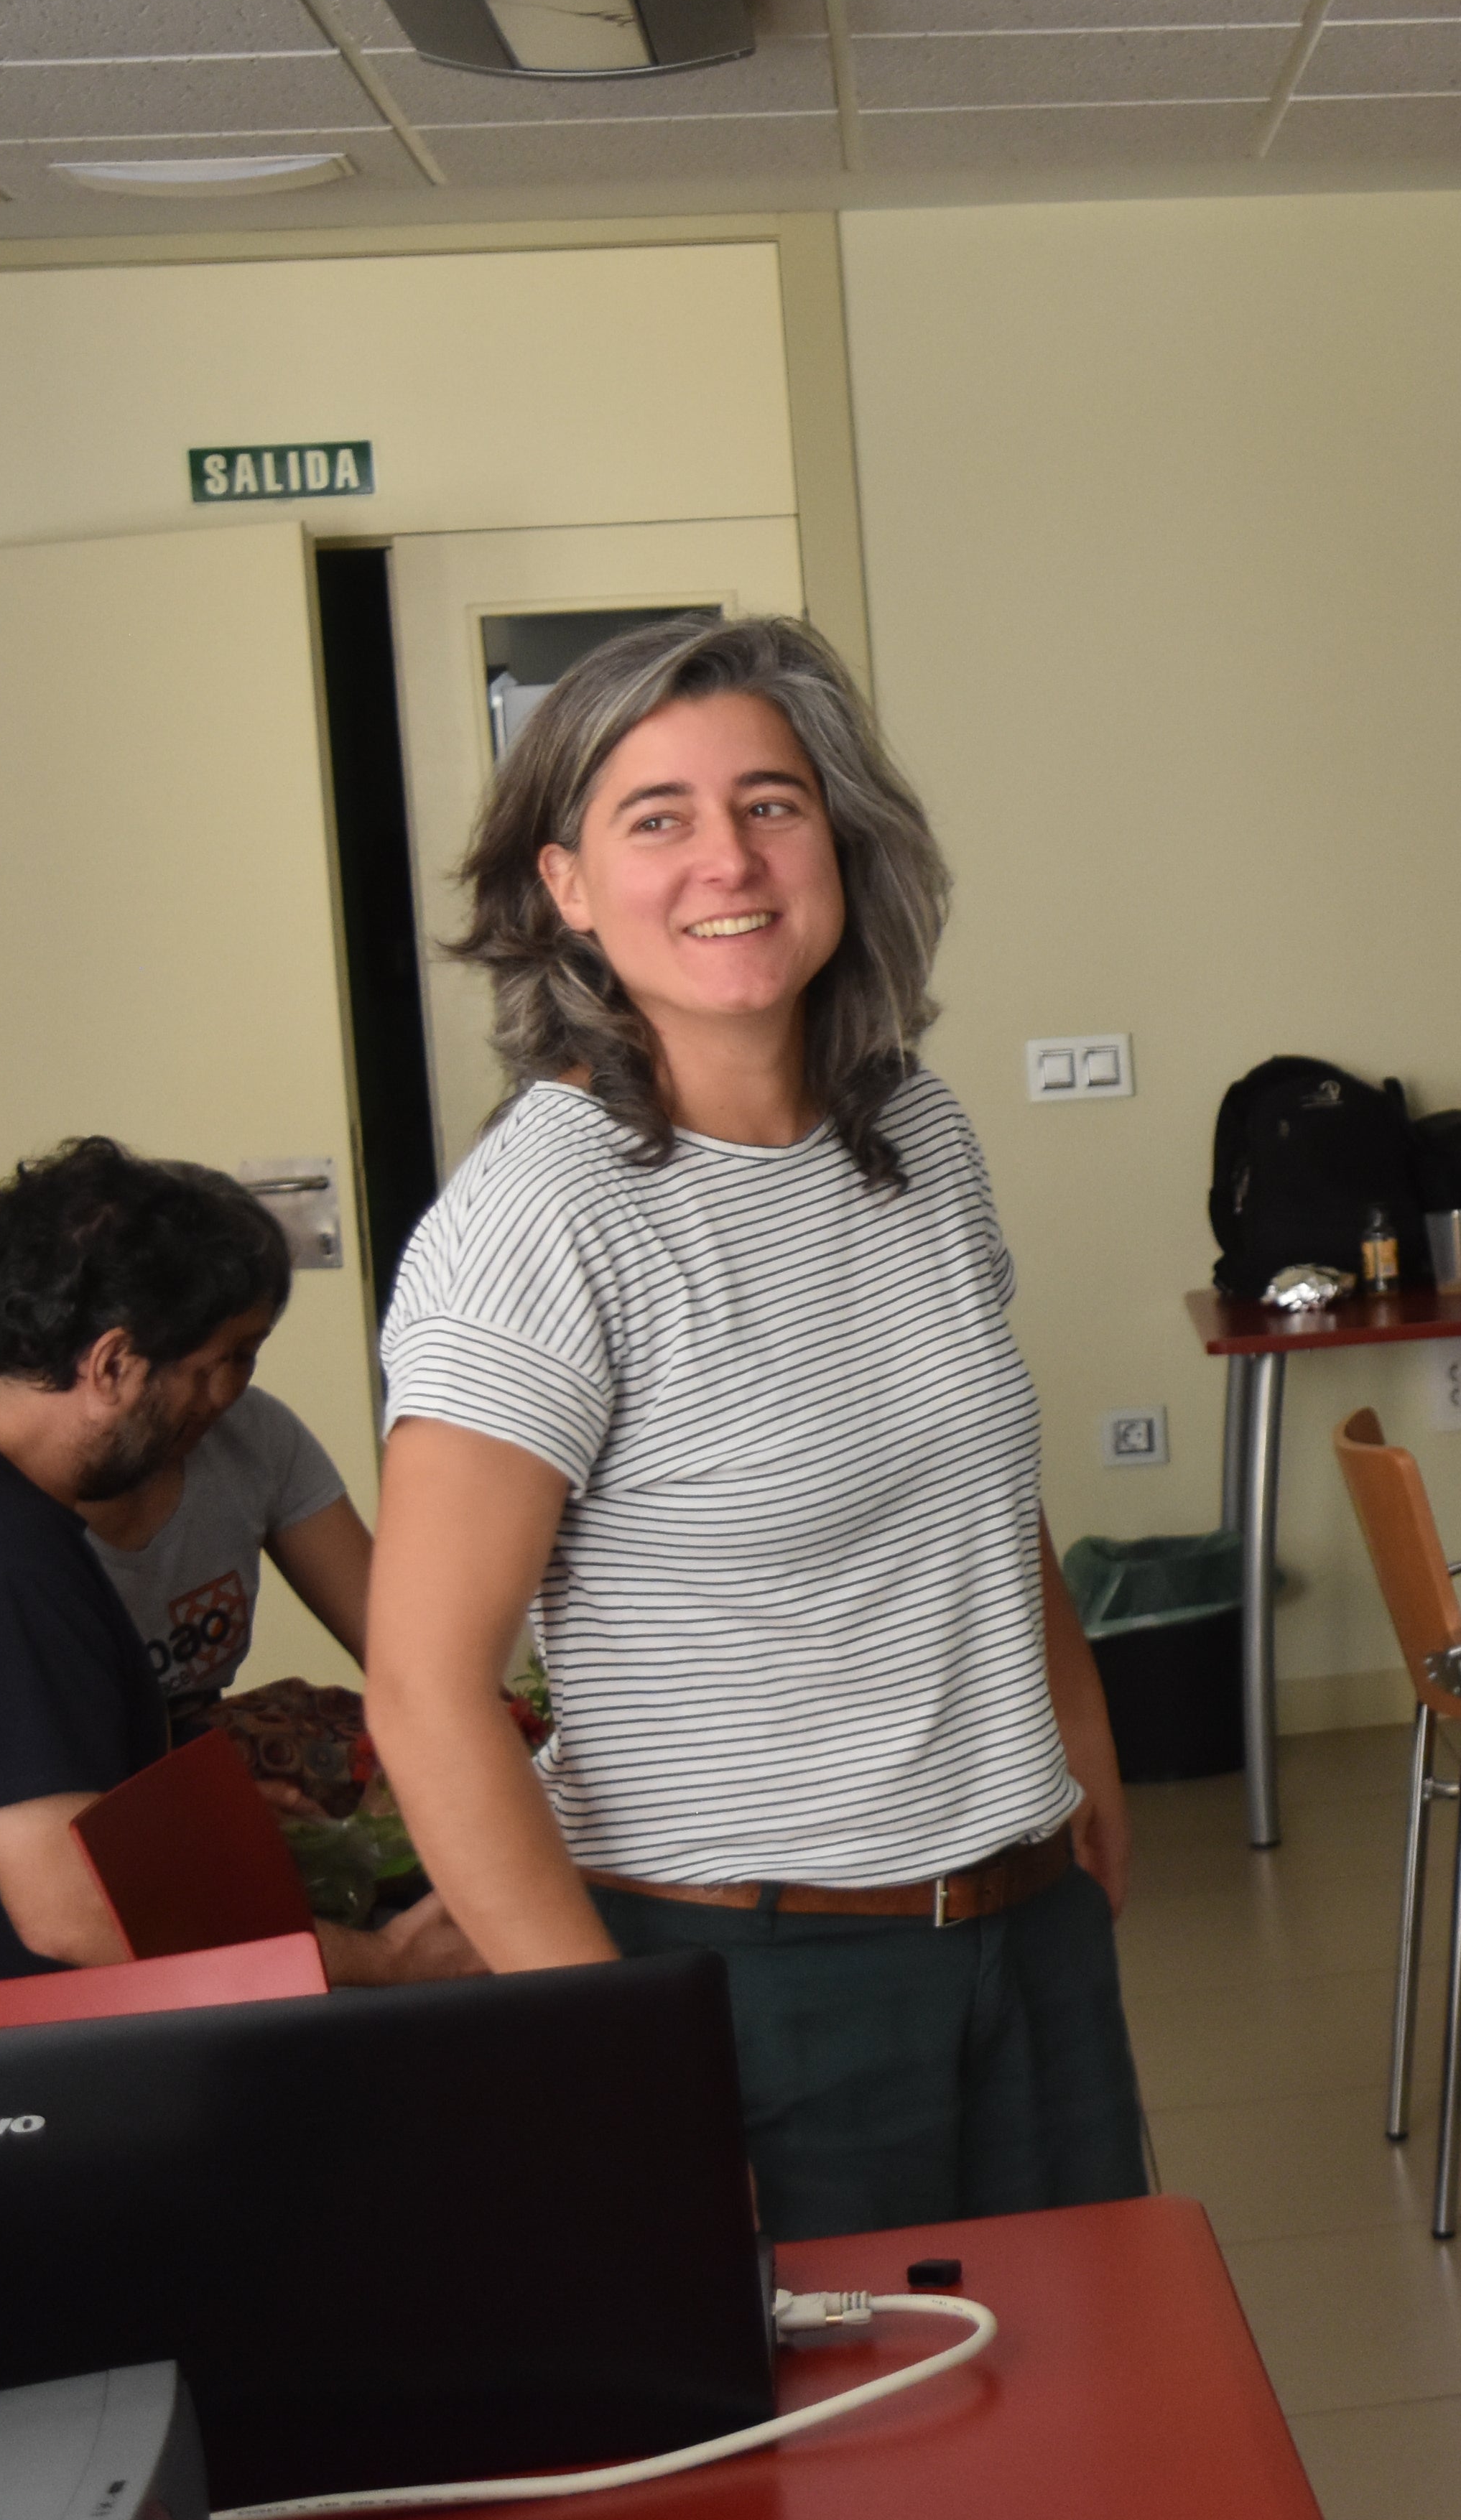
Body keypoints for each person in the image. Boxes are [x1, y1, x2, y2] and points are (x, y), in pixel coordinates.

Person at [360, 612, 1144, 2244]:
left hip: (1021, 1925)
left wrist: (1081, 1752)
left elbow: (987, 1487)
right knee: (841, 2491)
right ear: (564, 882)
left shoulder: (912, 1132)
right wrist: (616, 2072)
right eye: (657, 817)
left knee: (1072, 2440)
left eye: (771, 803)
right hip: (749, 1985)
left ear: (840, 839)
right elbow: (427, 1697)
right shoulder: (542, 1219)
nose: (728, 857)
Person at [0, 1141, 469, 1996]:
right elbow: (72, 1913)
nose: (226, 1403)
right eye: (221, 1364)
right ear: (112, 1363)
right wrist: (389, 1962)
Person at [80, 1379, 366, 1743]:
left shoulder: (255, 1431)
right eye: (198, 1366)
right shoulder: (10, 1504)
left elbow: (408, 1665)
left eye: (241, 1356)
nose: (218, 1393)